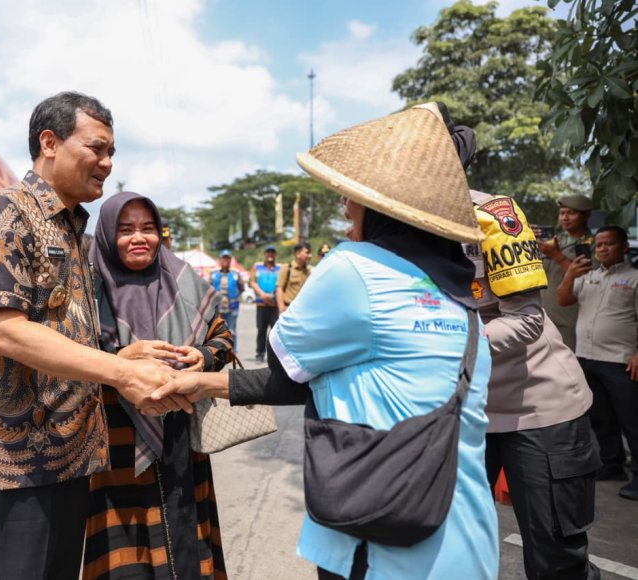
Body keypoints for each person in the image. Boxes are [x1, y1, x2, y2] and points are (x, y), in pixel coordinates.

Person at [153, 104, 499, 579]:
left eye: (352, 196)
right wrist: (207, 383)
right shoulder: (462, 300)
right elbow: (310, 384)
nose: (343, 206)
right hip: (464, 540)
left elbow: (283, 365)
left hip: (382, 541)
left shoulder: (353, 269)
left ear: (383, 209)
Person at [0, 91, 189, 580]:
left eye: (111, 153)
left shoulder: (73, 230)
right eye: (96, 148)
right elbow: (8, 334)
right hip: (15, 466)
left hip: (68, 458)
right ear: (50, 142)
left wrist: (122, 353)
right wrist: (121, 370)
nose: (106, 163)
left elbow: (61, 334)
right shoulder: (4, 212)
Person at [441, 106, 601, 579]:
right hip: (462, 410)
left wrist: (435, 342)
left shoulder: (494, 216)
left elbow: (527, 321)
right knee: (449, 550)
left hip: (536, 409)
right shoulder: (393, 229)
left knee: (555, 559)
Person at [84, 192, 232, 579]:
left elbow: (223, 337)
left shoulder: (183, 279)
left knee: (184, 534)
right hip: (115, 438)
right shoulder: (86, 287)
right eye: (126, 229)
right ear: (105, 235)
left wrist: (205, 356)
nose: (139, 238)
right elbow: (67, 354)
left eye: (148, 229)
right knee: (125, 543)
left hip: (180, 434)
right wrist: (118, 361)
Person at [558, 225, 638, 500]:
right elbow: (564, 298)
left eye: (609, 244)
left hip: (621, 361)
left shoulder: (635, 278)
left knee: (632, 420)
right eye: (599, 244)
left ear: (624, 247)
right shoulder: (588, 276)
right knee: (601, 418)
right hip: (587, 357)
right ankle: (612, 464)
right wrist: (570, 272)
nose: (602, 249)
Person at [536, 195, 594, 351]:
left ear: (586, 216)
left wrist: (557, 256)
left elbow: (590, 279)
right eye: (562, 213)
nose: (565, 218)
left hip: (569, 318)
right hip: (543, 315)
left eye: (571, 213)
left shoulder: (594, 244)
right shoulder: (555, 240)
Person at [248, 244, 280, 362]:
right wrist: (262, 294)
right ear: (265, 254)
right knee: (261, 330)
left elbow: (281, 285)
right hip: (261, 305)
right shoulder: (257, 267)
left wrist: (272, 296)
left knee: (275, 332)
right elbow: (252, 282)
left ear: (275, 255)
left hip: (274, 305)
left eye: (272, 252)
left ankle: (275, 356)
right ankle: (260, 353)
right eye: (268, 252)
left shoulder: (280, 269)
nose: (270, 255)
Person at [210, 249, 244, 351]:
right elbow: (208, 289)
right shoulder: (213, 274)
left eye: (228, 258)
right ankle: (219, 350)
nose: (226, 260)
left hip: (232, 308)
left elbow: (241, 288)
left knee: (232, 330)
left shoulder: (236, 274)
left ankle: (233, 350)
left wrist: (235, 297)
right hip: (218, 308)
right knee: (217, 330)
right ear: (220, 260)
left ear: (231, 260)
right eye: (223, 258)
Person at [275, 242, 313, 314]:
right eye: (307, 253)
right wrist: (281, 308)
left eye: (310, 253)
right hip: (288, 310)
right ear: (298, 254)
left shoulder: (308, 271)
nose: (310, 256)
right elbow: (279, 288)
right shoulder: (287, 268)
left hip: (303, 311)